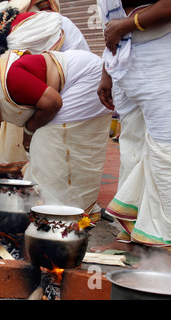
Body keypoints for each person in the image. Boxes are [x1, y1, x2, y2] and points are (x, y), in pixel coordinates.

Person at [0, 49, 111, 220]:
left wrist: (29, 130)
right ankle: (64, 210)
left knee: (45, 142)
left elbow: (53, 103)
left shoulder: (9, 79)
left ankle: (55, 215)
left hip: (84, 76)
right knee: (46, 148)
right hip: (62, 93)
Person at [92, 0, 171, 252]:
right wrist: (107, 74)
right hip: (124, 69)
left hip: (161, 64)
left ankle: (165, 243)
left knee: (164, 156)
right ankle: (130, 238)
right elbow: (110, 26)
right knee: (132, 153)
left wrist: (128, 24)